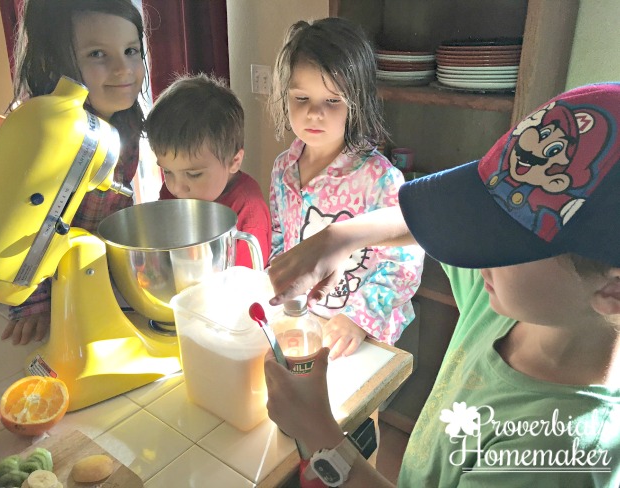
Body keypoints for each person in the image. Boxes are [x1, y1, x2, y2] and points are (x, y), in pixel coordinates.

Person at [265, 83, 620, 487]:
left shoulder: (560, 457)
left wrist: (319, 433)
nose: (473, 245)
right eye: (482, 219)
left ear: (612, 290)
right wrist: (340, 237)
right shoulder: (509, 303)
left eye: (504, 238)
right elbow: (427, 227)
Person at [267, 17, 424, 361]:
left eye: (332, 101)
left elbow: (404, 265)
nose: (314, 113)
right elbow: (281, 239)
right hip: (303, 322)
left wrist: (357, 319)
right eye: (302, 97)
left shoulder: (380, 178)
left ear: (357, 103)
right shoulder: (282, 169)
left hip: (359, 333)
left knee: (358, 410)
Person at [2, 0, 147, 345]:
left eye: (131, 51)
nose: (123, 69)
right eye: (98, 54)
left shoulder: (124, 123)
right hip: (46, 291)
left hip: (96, 277)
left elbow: (117, 206)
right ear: (55, 64)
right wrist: (33, 304)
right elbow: (25, 231)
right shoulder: (46, 139)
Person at [147, 74, 271, 269]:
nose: (177, 188)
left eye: (194, 174)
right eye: (167, 171)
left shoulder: (248, 210)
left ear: (234, 161)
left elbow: (246, 283)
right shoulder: (175, 190)